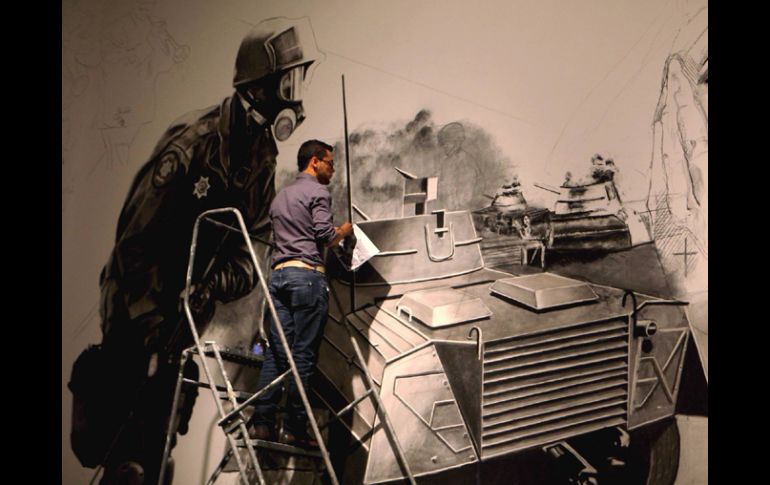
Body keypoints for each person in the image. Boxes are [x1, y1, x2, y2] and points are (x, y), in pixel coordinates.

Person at [73, 18, 320, 485]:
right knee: (130, 452)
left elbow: (254, 245)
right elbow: (134, 246)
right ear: (258, 90)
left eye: (298, 82)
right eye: (288, 84)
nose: (296, 98)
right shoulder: (192, 145)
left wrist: (215, 285)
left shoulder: (260, 155)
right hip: (136, 308)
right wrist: (151, 328)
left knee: (162, 440)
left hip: (186, 312)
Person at [248, 139, 353, 448]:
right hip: (307, 278)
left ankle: (262, 423)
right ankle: (295, 428)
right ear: (314, 162)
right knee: (303, 355)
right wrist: (344, 231)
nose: (333, 169)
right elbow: (325, 235)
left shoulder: (281, 197)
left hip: (279, 278)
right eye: (330, 163)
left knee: (277, 353)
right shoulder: (318, 192)